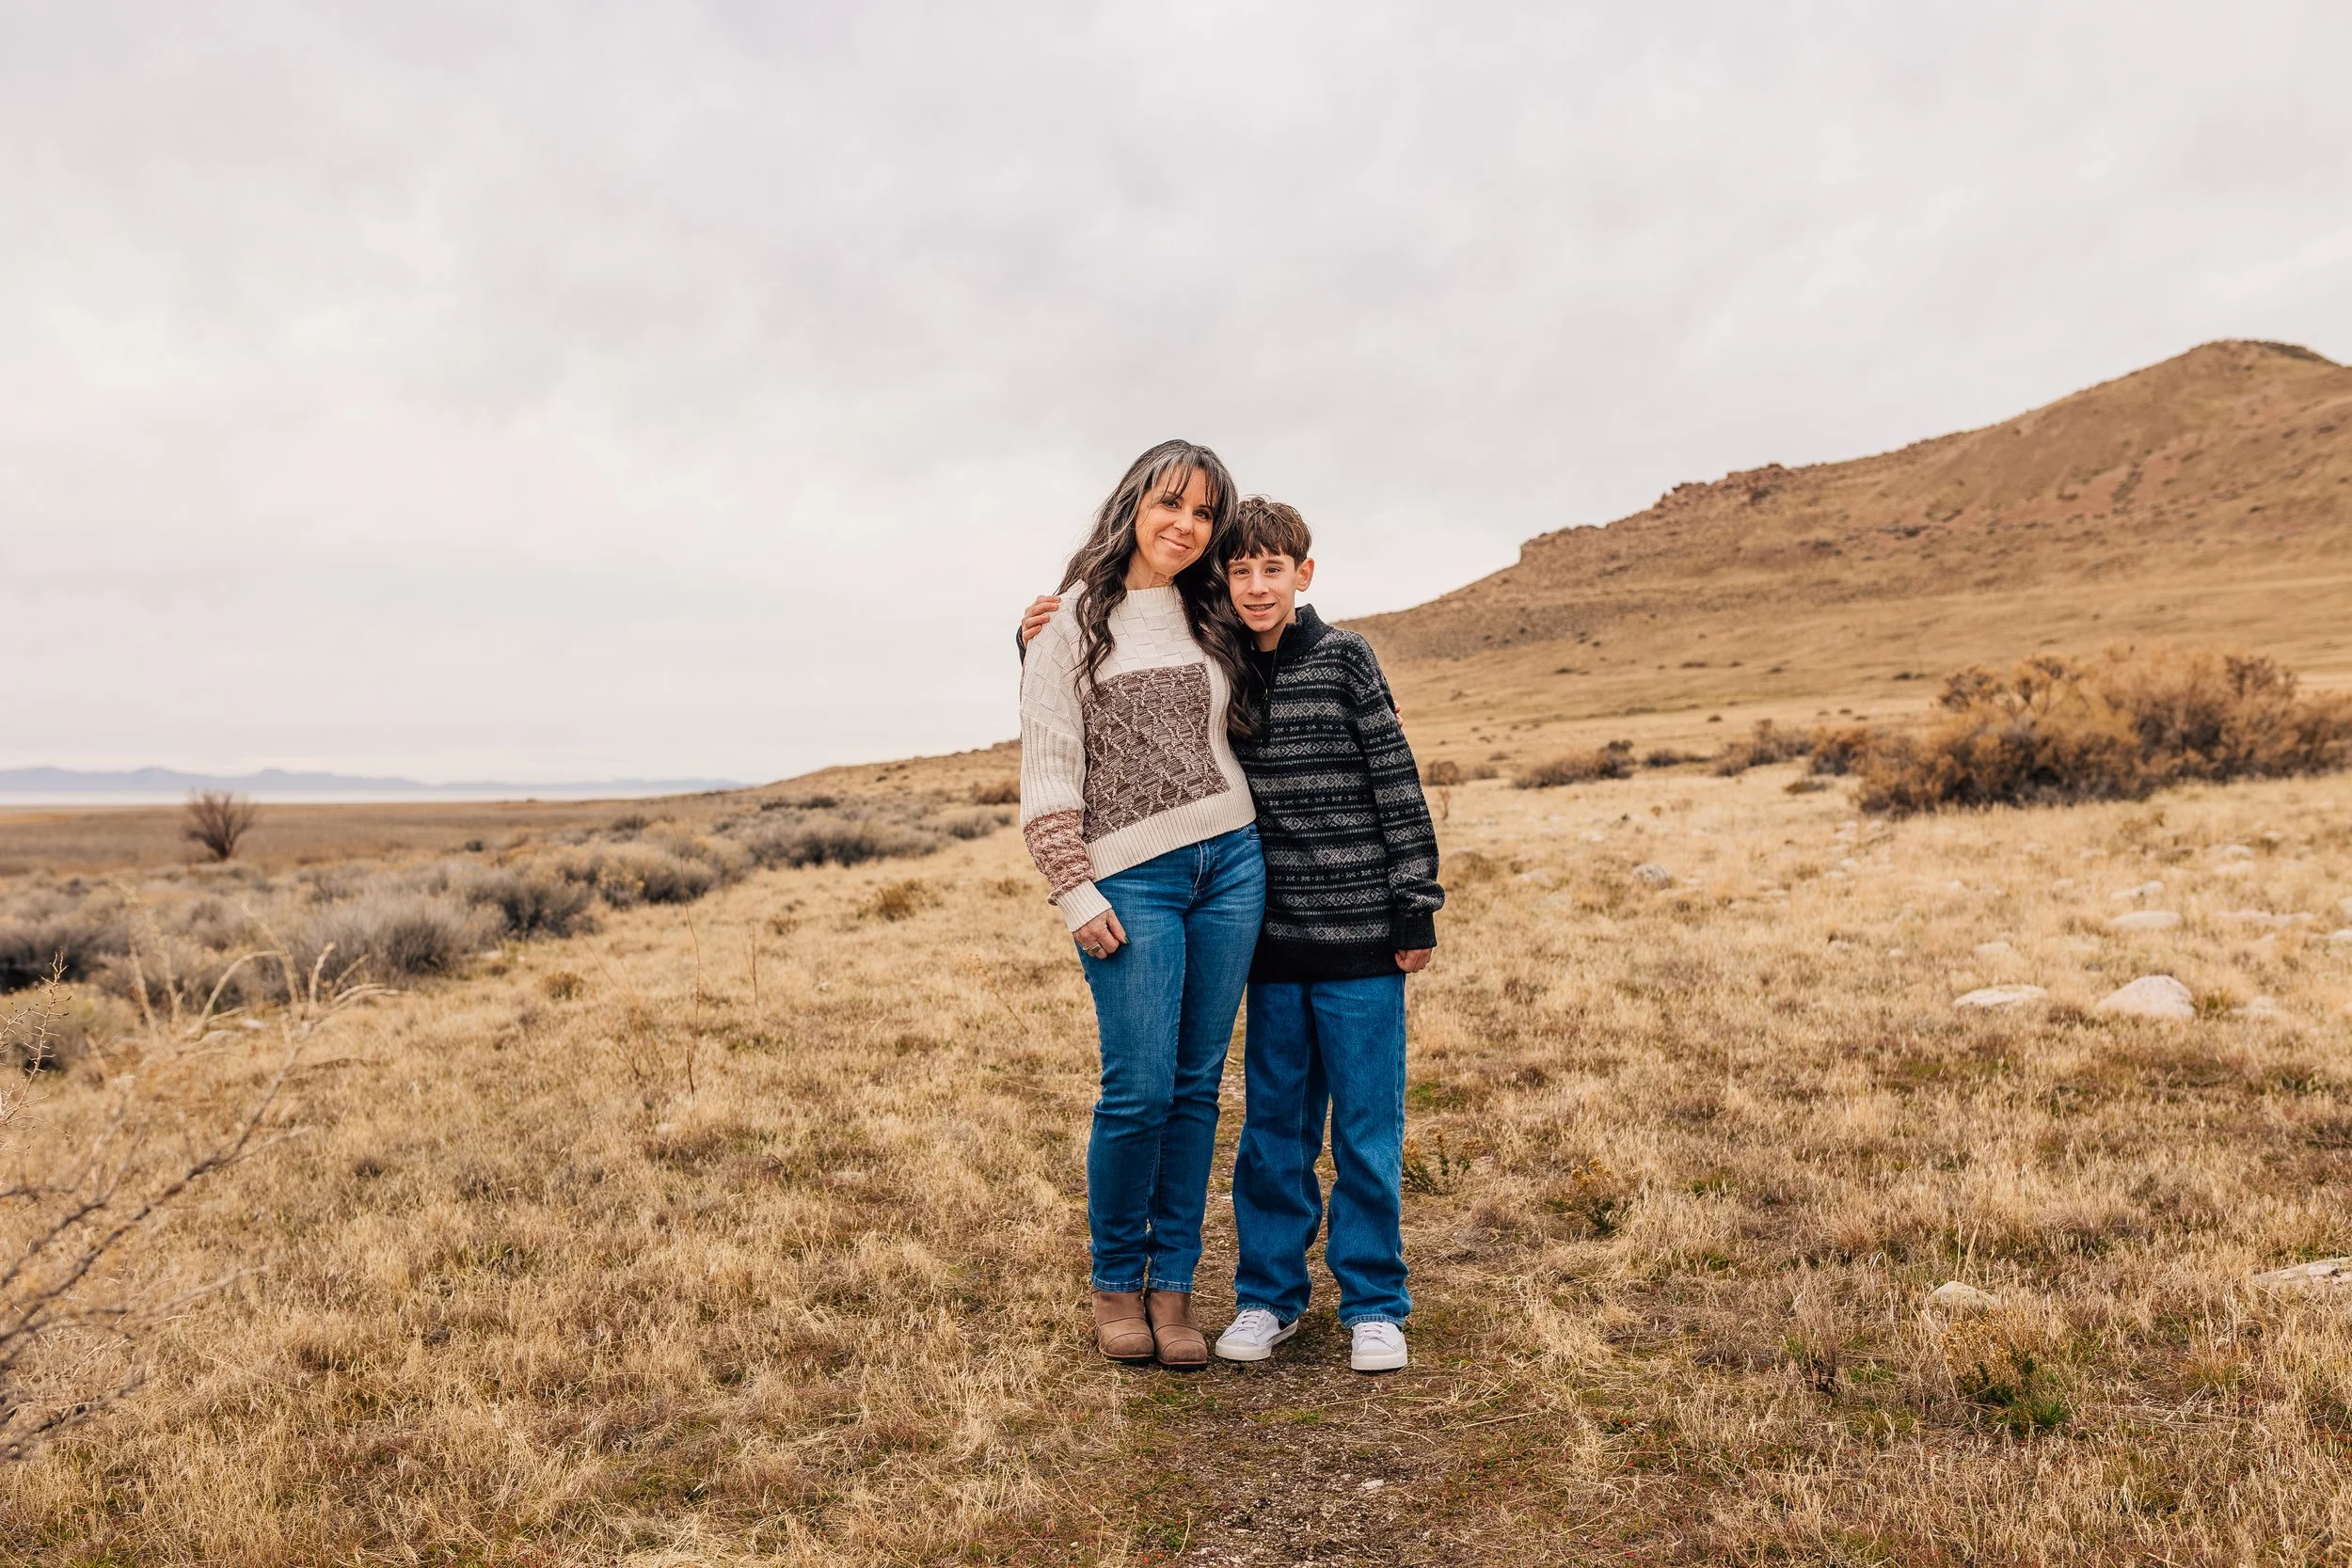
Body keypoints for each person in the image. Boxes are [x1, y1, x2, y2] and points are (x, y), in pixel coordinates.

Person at [1022, 497, 1443, 1373]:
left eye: (1272, 568)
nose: (1255, 584)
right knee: (1271, 1128)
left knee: (1365, 1124)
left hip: (1359, 932)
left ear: (1304, 573)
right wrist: (1035, 633)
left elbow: (1395, 778)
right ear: (1224, 576)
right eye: (1240, 568)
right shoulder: (1217, 649)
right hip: (1272, 938)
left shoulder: (1341, 658)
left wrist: (1415, 904)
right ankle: (1267, 1295)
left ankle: (1372, 1301)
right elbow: (1113, 675)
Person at [1018, 439, 1265, 1370]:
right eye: (1171, 504)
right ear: (1134, 502)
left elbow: (1289, 626)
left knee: (1200, 1087)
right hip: (1131, 881)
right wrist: (1074, 888)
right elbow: (1047, 772)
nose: (1185, 526)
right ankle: (1116, 1281)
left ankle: (1174, 1288)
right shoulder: (1073, 620)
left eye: (1204, 514)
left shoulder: (1215, 615)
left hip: (1233, 863)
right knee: (1139, 1088)